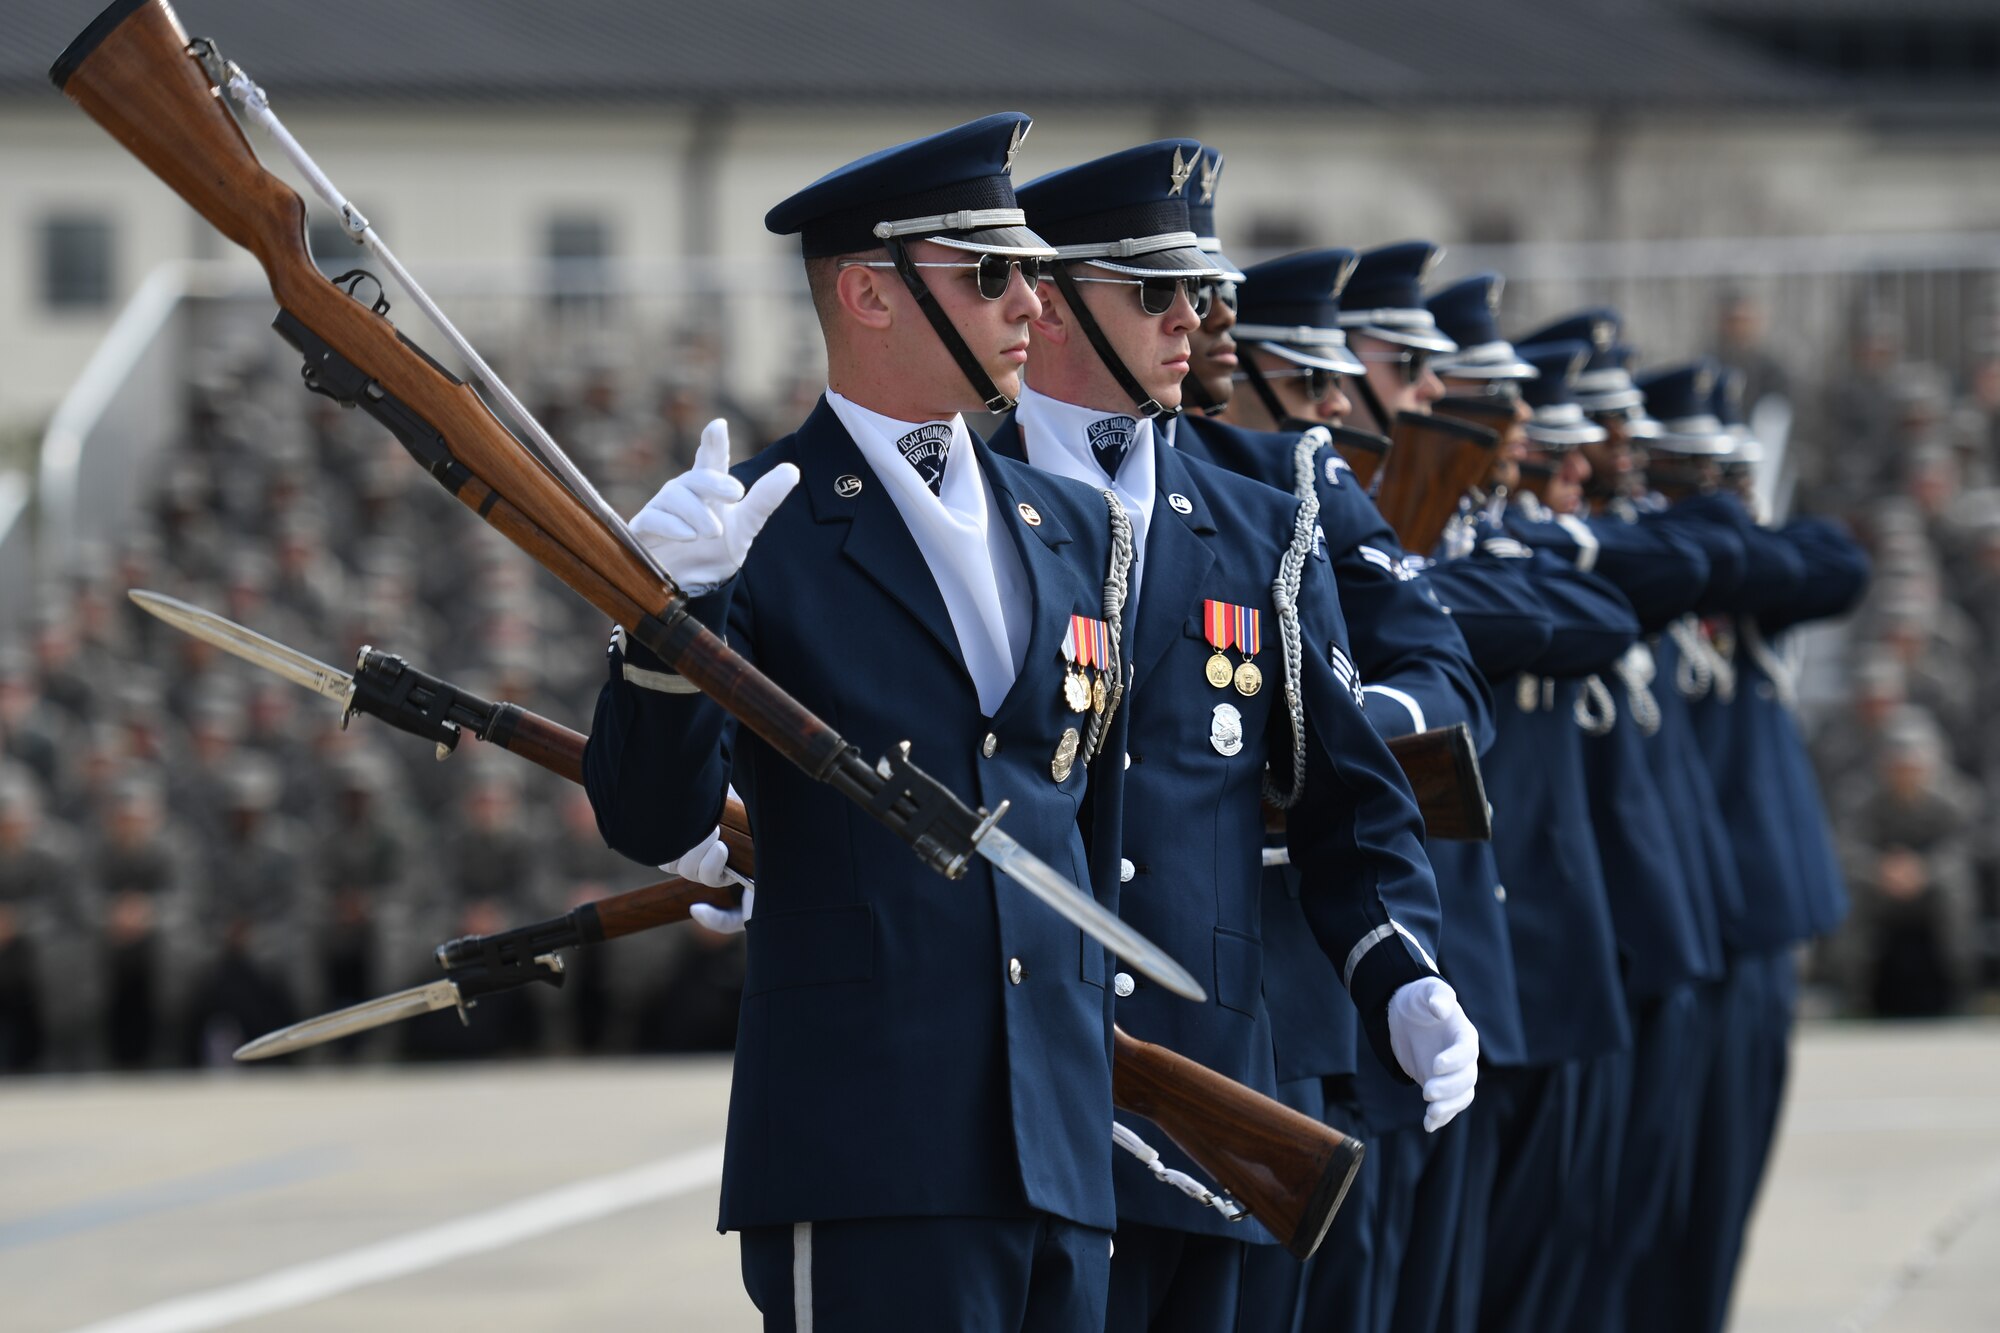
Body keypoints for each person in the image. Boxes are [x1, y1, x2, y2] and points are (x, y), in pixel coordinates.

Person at [585, 113, 1142, 1332]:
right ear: (868, 294)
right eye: (990, 274)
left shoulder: (1076, 527)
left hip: (1056, 1144)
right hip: (866, 1142)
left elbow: (1083, 828)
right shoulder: (755, 532)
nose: (1031, 308)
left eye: (1035, 276)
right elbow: (646, 811)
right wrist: (666, 621)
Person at [992, 140, 1475, 1333]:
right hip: (1006, 1091)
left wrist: (1396, 965)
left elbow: (1341, 796)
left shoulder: (1261, 528)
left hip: (1205, 1077)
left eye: (1200, 292)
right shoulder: (953, 499)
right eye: (1153, 291)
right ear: (1047, 301)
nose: (1194, 320)